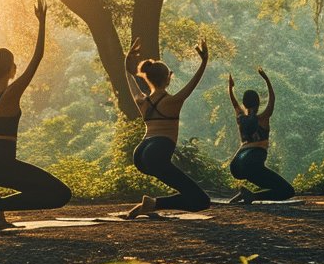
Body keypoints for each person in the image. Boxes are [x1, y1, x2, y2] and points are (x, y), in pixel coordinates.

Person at [0, 0, 71, 231]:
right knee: (60, 194)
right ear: (10, 69)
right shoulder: (10, 94)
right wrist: (42, 22)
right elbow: (37, 58)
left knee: (35, 188)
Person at [124, 37, 211, 217]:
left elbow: (130, 78)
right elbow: (194, 83)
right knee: (202, 201)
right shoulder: (173, 101)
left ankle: (151, 205)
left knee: (191, 195)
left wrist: (127, 62)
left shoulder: (142, 101)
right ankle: (153, 204)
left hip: (140, 154)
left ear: (148, 79)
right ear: (168, 79)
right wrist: (204, 61)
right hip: (157, 151)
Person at [226, 68, 295, 203]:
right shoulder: (263, 119)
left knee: (272, 184)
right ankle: (253, 196)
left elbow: (234, 103)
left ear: (244, 104)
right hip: (252, 159)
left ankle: (247, 195)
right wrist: (267, 80)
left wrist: (230, 88)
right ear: (258, 103)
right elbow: (272, 101)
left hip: (237, 164)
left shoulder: (240, 117)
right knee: (288, 191)